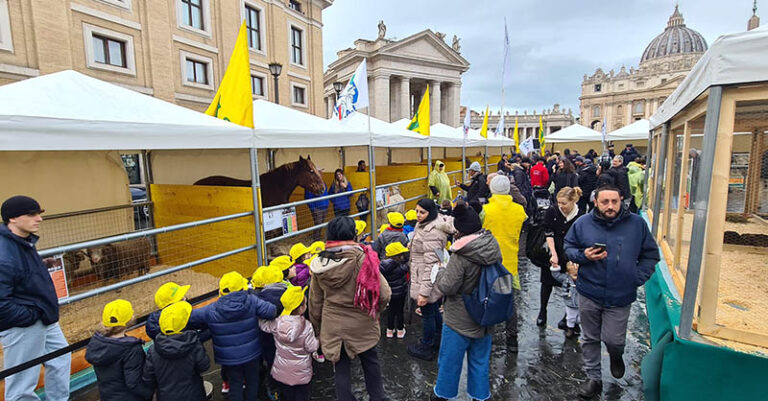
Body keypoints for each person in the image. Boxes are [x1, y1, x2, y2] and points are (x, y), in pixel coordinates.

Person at [564, 185, 660, 398]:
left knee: (613, 339)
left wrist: (636, 278)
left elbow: (650, 255)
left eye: (614, 202)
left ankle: (616, 355)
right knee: (589, 338)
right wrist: (583, 256)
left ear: (621, 201)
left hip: (620, 295)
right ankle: (593, 378)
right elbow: (569, 247)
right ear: (595, 202)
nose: (610, 206)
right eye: (605, 202)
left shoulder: (636, 224)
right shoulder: (582, 223)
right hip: (589, 290)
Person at [308, 217, 391, 401]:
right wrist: (376, 311)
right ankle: (378, 397)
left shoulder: (321, 263)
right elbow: (384, 293)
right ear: (353, 234)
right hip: (362, 321)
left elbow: (315, 301)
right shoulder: (365, 258)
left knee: (341, 367)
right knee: (371, 361)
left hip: (334, 324)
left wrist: (318, 326)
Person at [0, 195, 71, 401]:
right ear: (12, 218)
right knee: (22, 379)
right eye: (31, 214)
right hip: (24, 324)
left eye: (39, 214)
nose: (38, 218)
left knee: (60, 358)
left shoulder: (21, 242)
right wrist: (30, 316)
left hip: (43, 317)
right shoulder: (5, 254)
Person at [431, 201, 501, 401]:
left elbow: (447, 287)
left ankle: (442, 394)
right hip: (486, 315)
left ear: (460, 230)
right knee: (480, 360)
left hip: (460, 318)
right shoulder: (491, 246)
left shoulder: (461, 255)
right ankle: (480, 396)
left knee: (449, 360)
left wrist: (441, 270)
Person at [188, 271, 277, 401]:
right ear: (242, 288)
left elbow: (189, 318)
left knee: (235, 383)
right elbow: (271, 311)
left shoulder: (211, 309)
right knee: (253, 380)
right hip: (251, 353)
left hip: (229, 358)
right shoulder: (251, 300)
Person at [480, 175, 527, 350]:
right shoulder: (519, 210)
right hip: (510, 261)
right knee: (509, 301)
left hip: (489, 262)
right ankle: (512, 338)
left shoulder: (486, 210)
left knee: (488, 299)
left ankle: (487, 336)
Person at [407, 199, 454, 361]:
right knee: (433, 311)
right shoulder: (428, 224)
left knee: (427, 313)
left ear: (430, 212)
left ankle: (427, 345)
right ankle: (438, 340)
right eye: (417, 211)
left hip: (425, 279)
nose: (418, 215)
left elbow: (431, 264)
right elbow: (439, 255)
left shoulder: (432, 232)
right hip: (428, 276)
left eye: (422, 212)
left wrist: (424, 293)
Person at [259, 286, 319, 401]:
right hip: (301, 372)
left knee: (287, 395)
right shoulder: (307, 327)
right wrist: (319, 339)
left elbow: (263, 326)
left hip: (282, 371)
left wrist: (260, 316)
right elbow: (312, 347)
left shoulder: (276, 323)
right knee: (301, 395)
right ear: (301, 308)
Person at [143, 301, 211, 401]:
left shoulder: (153, 351)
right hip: (194, 394)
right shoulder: (193, 344)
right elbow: (204, 366)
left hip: (166, 396)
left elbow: (148, 378)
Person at [539, 187, 584, 327]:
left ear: (573, 201)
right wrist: (553, 253)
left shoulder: (581, 215)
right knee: (546, 282)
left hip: (571, 253)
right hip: (554, 248)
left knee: (572, 286)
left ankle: (568, 316)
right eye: (559, 203)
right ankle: (542, 311)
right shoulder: (552, 211)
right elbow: (548, 232)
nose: (561, 206)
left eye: (564, 203)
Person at [85, 299, 147, 401]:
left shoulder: (97, 343)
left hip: (107, 396)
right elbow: (133, 383)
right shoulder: (131, 349)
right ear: (129, 320)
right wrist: (148, 392)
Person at [380, 242, 410, 339]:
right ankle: (400, 331)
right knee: (399, 311)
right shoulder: (402, 266)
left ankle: (389, 330)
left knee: (391, 311)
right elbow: (408, 266)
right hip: (400, 293)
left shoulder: (382, 265)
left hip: (389, 292)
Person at [551, 262, 581, 338]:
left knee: (580, 318)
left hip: (580, 303)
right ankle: (570, 329)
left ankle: (576, 326)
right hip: (569, 303)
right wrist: (555, 267)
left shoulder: (583, 280)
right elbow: (556, 275)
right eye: (574, 275)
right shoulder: (566, 279)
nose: (576, 277)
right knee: (570, 317)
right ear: (568, 273)